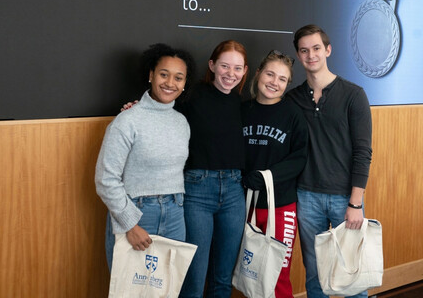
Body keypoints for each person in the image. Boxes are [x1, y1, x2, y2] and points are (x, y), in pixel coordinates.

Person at [287, 25, 373, 298]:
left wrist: (355, 203)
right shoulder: (292, 99)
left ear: (327, 50)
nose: (311, 55)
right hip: (306, 197)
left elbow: (363, 151)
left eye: (316, 48)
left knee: (353, 277)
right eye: (304, 50)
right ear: (298, 56)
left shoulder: (353, 94)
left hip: (344, 198)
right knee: (314, 275)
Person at [95, 43, 196, 271]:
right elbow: (106, 179)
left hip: (175, 214)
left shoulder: (181, 122)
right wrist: (130, 224)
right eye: (164, 74)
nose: (170, 83)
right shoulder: (127, 121)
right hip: (138, 214)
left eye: (178, 78)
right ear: (151, 75)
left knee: (168, 290)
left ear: (184, 83)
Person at [178, 40, 249, 298]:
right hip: (197, 190)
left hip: (233, 192)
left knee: (222, 278)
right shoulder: (191, 96)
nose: (231, 74)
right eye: (224, 66)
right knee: (195, 277)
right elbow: (161, 110)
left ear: (244, 71)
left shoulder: (243, 103)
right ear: (212, 65)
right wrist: (134, 106)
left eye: (237, 68)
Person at [241, 50, 309, 298]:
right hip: (244, 205)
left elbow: (300, 157)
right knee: (250, 273)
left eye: (282, 79)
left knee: (277, 276)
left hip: (280, 205)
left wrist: (268, 175)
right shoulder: (242, 110)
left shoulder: (293, 115)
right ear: (258, 73)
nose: (274, 82)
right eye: (270, 74)